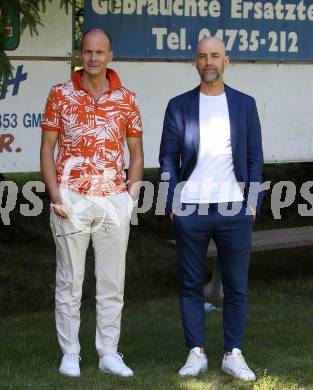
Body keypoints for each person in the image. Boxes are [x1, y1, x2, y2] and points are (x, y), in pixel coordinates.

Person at [40, 28, 143, 378]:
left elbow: (137, 152)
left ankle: (108, 352)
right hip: (71, 197)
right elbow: (46, 148)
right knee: (70, 281)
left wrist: (130, 196)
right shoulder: (60, 94)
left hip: (113, 199)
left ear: (110, 55)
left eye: (100, 52)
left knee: (112, 283)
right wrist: (56, 196)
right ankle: (70, 353)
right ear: (80, 55)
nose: (94, 58)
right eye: (88, 52)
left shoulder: (127, 99)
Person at [159, 37, 263, 381]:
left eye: (215, 56)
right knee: (190, 285)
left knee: (236, 286)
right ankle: (196, 352)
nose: (208, 61)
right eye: (202, 56)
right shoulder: (179, 105)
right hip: (191, 209)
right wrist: (172, 202)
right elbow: (167, 159)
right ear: (195, 62)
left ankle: (233, 354)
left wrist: (252, 202)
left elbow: (254, 158)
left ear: (226, 61)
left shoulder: (245, 105)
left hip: (235, 209)